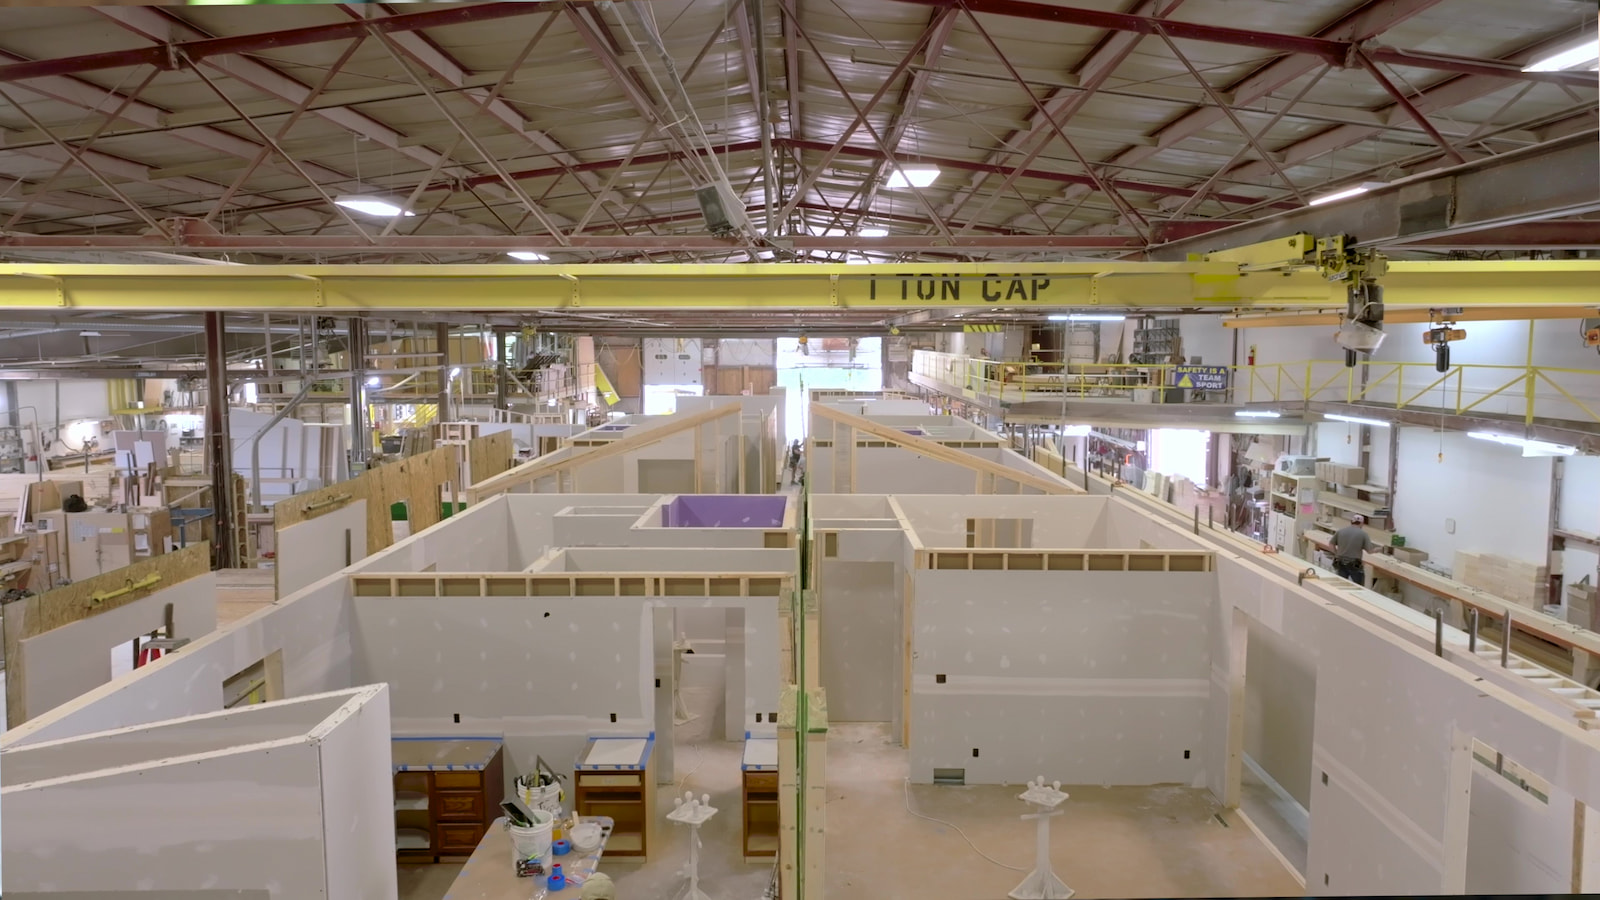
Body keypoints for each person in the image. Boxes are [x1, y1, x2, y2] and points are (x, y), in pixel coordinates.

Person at [1331, 514, 1374, 585]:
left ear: (1351, 521)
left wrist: (1336, 554)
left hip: (1340, 561)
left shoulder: (1341, 531)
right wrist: (1379, 549)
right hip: (1354, 564)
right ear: (1362, 523)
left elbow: (1331, 544)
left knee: (1340, 585)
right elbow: (1370, 551)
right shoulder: (1363, 534)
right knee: (1359, 587)